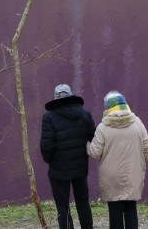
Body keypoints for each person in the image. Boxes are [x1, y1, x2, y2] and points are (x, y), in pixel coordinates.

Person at [88, 91, 148, 229]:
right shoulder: (137, 123)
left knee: (114, 212)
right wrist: (140, 164)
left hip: (111, 176)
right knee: (131, 208)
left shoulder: (102, 127)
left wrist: (86, 144)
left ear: (107, 108)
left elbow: (94, 153)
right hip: (132, 173)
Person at [40, 84, 96, 229]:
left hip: (58, 170)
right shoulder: (85, 114)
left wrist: (50, 161)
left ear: (55, 98)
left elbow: (46, 147)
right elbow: (93, 138)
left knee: (63, 207)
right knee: (83, 202)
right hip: (80, 168)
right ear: (71, 95)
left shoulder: (49, 118)